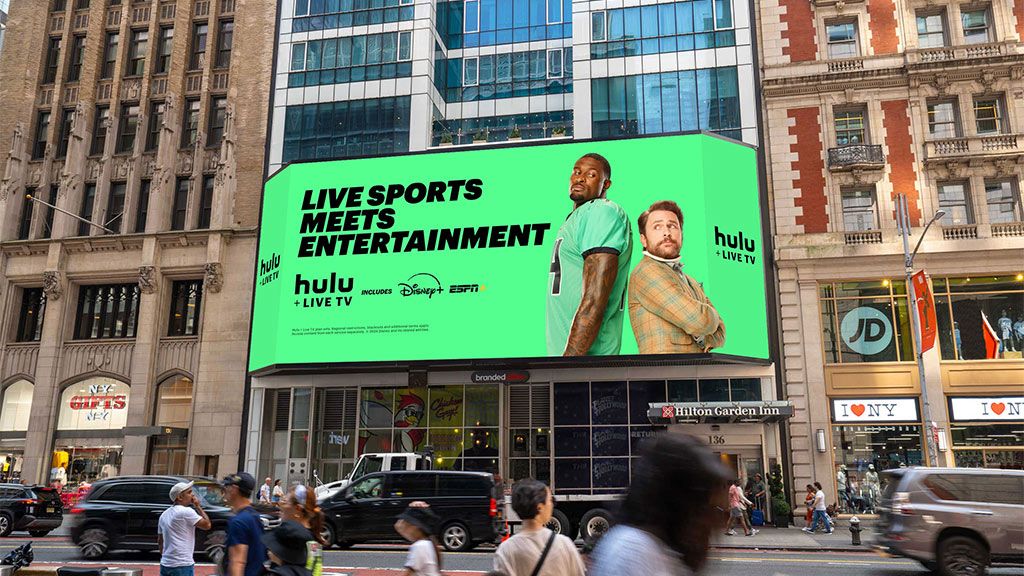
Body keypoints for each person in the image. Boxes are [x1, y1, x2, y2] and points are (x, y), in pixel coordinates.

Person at [589, 433, 732, 576]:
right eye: (705, 508)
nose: (713, 522)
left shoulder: (663, 551)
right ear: (678, 505)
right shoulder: (632, 553)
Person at [546, 153, 632, 356]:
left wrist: (568, 367)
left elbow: (595, 298)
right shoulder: (578, 217)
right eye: (576, 172)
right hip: (568, 363)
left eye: (591, 174)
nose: (580, 178)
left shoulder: (601, 212)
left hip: (585, 367)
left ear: (606, 184)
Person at [627, 200, 725, 354]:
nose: (666, 233)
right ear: (643, 239)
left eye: (672, 226)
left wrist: (704, 332)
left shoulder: (690, 280)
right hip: (664, 373)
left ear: (681, 234)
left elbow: (721, 334)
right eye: (657, 227)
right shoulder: (646, 272)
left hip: (696, 372)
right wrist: (709, 320)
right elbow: (700, 320)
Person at [493, 479, 585, 576]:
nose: (553, 504)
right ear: (540, 507)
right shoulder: (564, 545)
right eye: (550, 500)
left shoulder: (506, 549)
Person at [158, 481, 212, 576]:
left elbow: (160, 541)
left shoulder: (164, 515)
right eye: (189, 492)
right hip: (182, 564)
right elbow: (207, 525)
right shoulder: (186, 512)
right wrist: (198, 506)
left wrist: (167, 557)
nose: (192, 495)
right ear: (179, 497)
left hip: (166, 563)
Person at [222, 472, 268, 576]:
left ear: (234, 489)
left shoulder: (238, 522)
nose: (224, 492)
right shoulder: (254, 516)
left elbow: (238, 562)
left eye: (226, 488)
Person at [279, 484, 325, 576]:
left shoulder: (294, 538)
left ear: (297, 509)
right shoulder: (312, 537)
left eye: (285, 502)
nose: (280, 506)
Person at [394, 503, 442, 576]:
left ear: (414, 527)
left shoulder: (420, 546)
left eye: (406, 525)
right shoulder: (429, 543)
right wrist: (411, 508)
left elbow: (407, 574)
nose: (403, 528)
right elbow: (398, 526)